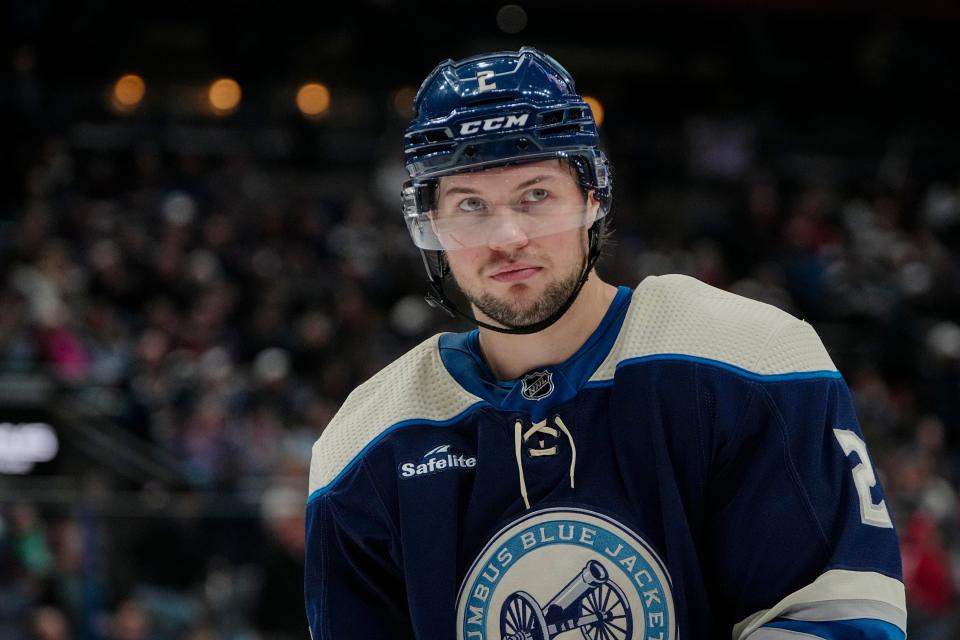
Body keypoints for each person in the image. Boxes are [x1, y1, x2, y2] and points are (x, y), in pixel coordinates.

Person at [304, 47, 906, 640]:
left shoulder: (750, 362)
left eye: (536, 194)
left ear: (593, 198)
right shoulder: (367, 443)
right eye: (470, 205)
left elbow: (836, 621)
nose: (508, 235)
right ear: (430, 229)